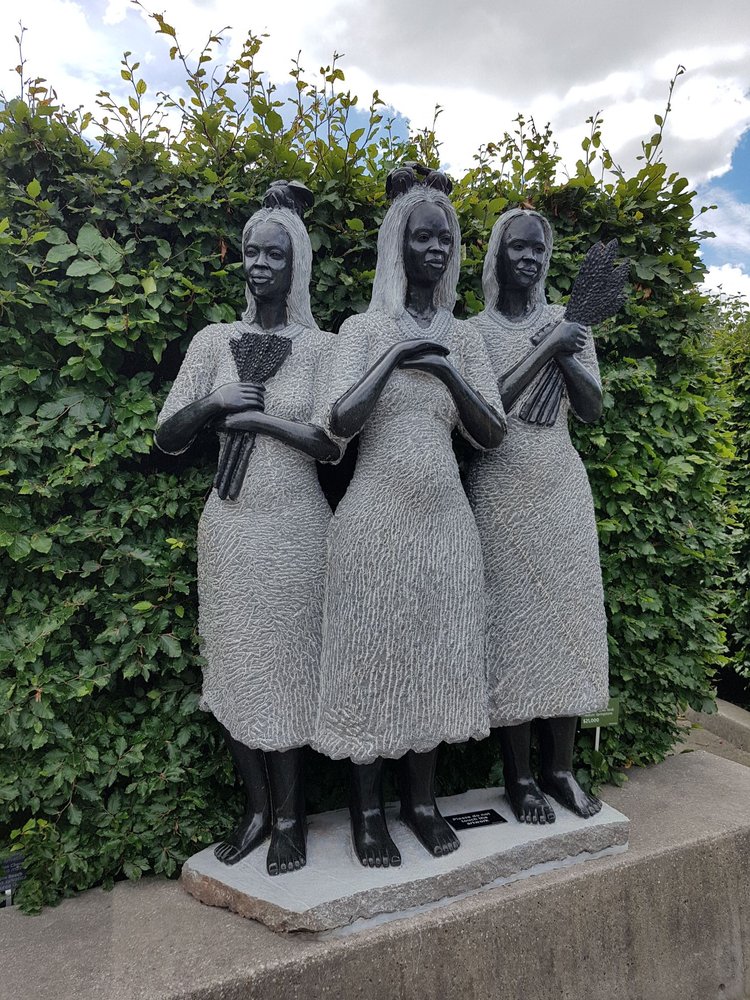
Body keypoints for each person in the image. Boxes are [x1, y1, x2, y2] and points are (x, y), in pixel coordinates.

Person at [313, 169, 506, 866]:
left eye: (445, 239)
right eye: (423, 237)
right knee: (370, 659)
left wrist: (448, 371)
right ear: (398, 245)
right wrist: (394, 356)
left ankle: (420, 804)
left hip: (445, 523)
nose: (436, 248)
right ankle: (368, 814)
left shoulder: (466, 337)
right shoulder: (362, 330)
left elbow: (493, 432)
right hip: (373, 519)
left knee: (434, 658)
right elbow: (335, 422)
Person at [155, 182, 338, 875]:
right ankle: (256, 810)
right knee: (234, 665)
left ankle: (290, 819)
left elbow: (330, 444)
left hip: (296, 530)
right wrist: (215, 400)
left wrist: (258, 419)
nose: (260, 265)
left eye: (274, 255)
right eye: (252, 253)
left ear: (298, 266)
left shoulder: (319, 348)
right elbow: (167, 435)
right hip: (230, 530)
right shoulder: (214, 342)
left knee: (287, 668)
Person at [464, 207, 609, 824]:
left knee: (569, 626)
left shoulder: (571, 325)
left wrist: (566, 351)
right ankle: (520, 779)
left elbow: (593, 408)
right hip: (500, 486)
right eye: (518, 247)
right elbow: (483, 412)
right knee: (512, 632)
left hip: (560, 486)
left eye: (538, 250)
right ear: (497, 255)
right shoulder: (472, 332)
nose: (529, 258)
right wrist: (546, 347)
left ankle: (560, 770)